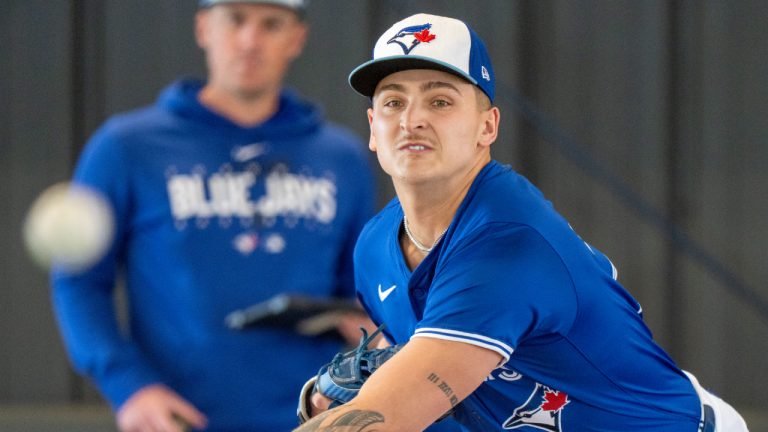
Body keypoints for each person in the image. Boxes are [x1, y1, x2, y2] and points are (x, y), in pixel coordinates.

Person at [295, 13, 750, 432]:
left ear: (487, 127)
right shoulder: (375, 247)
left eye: (440, 101)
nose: (412, 120)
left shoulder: (508, 243)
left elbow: (385, 419)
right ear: (373, 128)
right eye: (394, 103)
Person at [50, 1, 379, 431]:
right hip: (182, 417)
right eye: (235, 19)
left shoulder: (343, 157)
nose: (249, 41)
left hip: (312, 417)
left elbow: (358, 298)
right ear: (204, 27)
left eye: (271, 24)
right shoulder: (125, 148)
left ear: (297, 38)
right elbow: (78, 281)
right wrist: (128, 385)